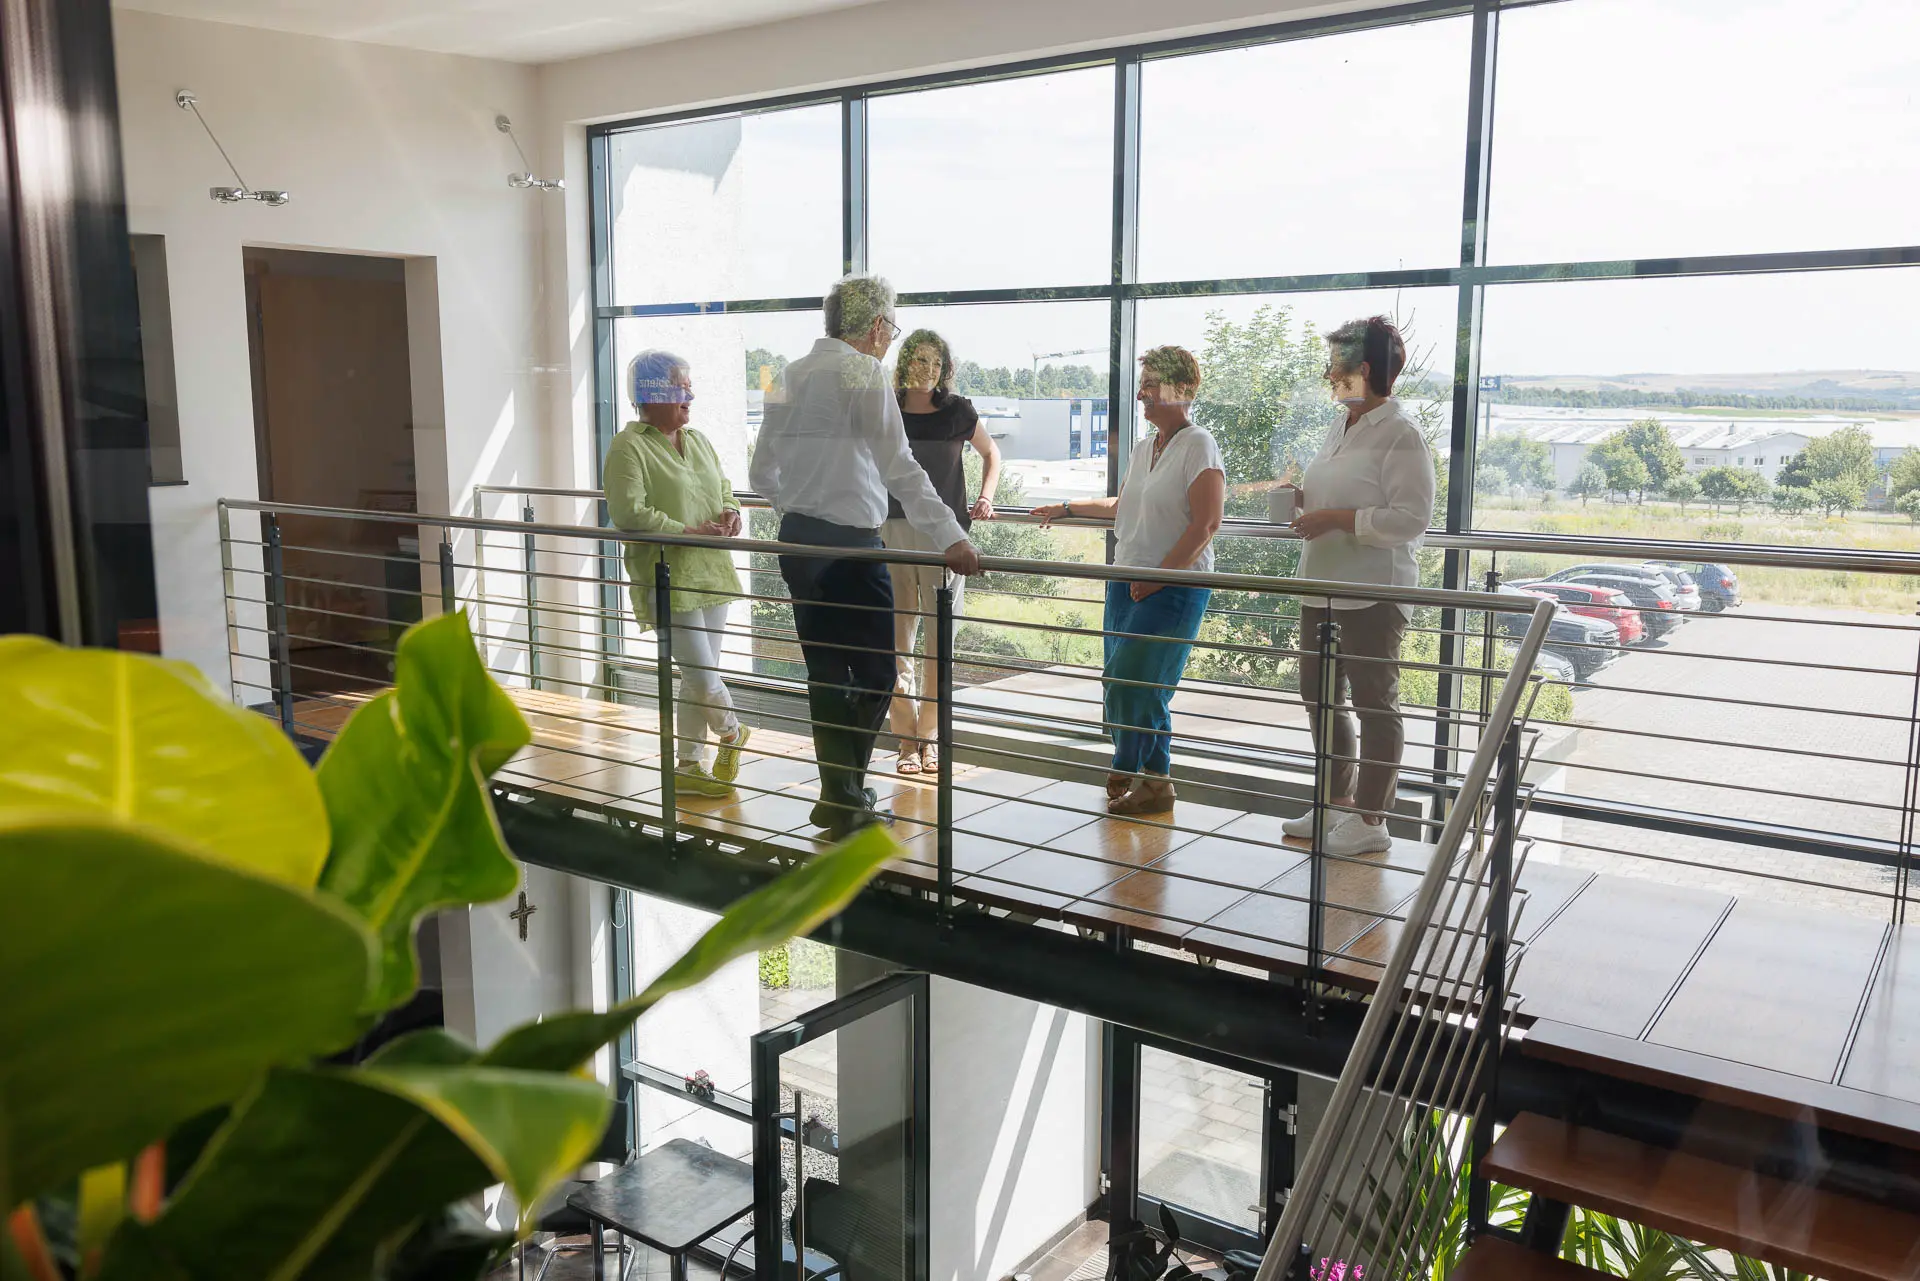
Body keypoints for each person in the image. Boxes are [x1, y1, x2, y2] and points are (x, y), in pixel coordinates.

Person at [751, 274, 983, 837]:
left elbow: (760, 473)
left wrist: (801, 506)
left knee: (827, 675)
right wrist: (953, 537)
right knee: (878, 673)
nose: (889, 340)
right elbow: (901, 468)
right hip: (852, 549)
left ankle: (842, 797)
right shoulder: (865, 373)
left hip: (798, 543)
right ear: (877, 327)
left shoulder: (786, 374)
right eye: (892, 328)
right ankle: (841, 793)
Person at [1035, 346, 1224, 815]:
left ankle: (1142, 773)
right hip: (1126, 583)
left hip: (1173, 587)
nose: (1141, 395)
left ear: (1182, 389)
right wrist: (1066, 508)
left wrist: (1158, 579)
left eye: (1151, 385)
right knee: (1120, 681)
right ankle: (1144, 775)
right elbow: (1123, 505)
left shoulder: (1199, 443)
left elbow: (1207, 524)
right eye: (1142, 385)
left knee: (1136, 682)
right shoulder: (1146, 448)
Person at [1279, 316, 1434, 857]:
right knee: (1320, 699)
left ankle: (1371, 819)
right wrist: (1306, 504)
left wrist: (1339, 519)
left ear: (1363, 371)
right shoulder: (1340, 425)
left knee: (1374, 705)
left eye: (1337, 365)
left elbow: (1411, 518)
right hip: (1320, 584)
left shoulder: (1401, 433)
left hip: (1373, 591)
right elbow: (1343, 499)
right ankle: (1333, 805)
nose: (1328, 374)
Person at [603, 350, 751, 798]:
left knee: (695, 676)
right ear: (652, 394)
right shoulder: (628, 446)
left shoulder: (699, 439)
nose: (690, 395)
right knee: (701, 672)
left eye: (688, 386)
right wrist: (687, 531)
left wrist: (731, 512)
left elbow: (723, 487)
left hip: (712, 571)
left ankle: (688, 766)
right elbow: (629, 513)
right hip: (669, 574)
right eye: (680, 387)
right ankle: (732, 731)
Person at [885, 328, 1001, 775]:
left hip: (946, 538)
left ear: (944, 369)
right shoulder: (888, 409)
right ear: (905, 364)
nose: (927, 371)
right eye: (919, 361)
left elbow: (991, 455)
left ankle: (929, 736)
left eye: (935, 364)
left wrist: (987, 497)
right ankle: (905, 740)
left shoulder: (957, 411)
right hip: (891, 532)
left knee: (939, 645)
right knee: (896, 642)